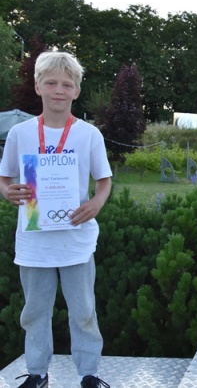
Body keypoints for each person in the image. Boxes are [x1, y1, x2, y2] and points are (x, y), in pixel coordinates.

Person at [0, 51, 112, 388]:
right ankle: (37, 373)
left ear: (77, 90)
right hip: (35, 242)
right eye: (51, 83)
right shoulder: (20, 133)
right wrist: (7, 192)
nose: (59, 90)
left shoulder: (89, 134)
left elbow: (104, 181)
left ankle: (89, 373)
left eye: (66, 84)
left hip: (76, 240)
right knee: (35, 312)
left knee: (84, 311)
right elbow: (5, 178)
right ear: (38, 87)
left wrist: (96, 203)